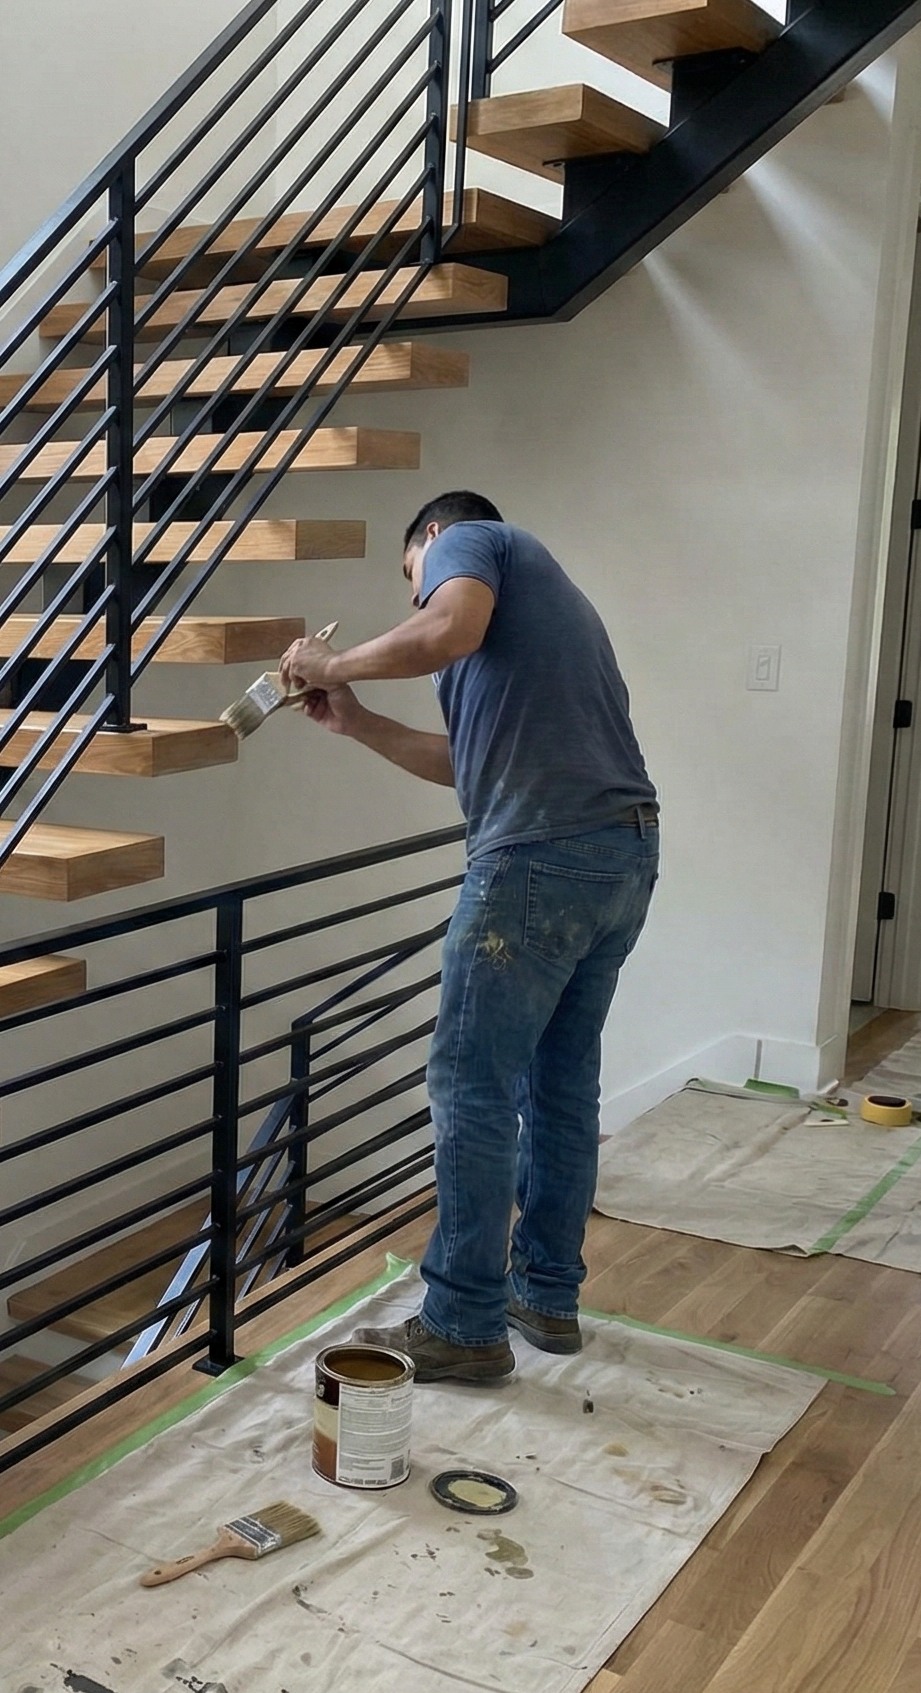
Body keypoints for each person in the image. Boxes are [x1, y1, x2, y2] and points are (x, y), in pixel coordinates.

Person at [278, 491, 658, 1383]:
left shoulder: (477, 542)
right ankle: (545, 1296)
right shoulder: (530, 627)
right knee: (558, 1082)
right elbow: (466, 763)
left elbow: (447, 626)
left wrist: (334, 657)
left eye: (417, 579)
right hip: (619, 856)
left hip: (537, 858)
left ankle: (462, 1319)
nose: (423, 598)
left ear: (434, 541)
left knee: (468, 1080)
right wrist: (358, 717)